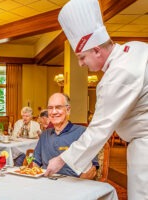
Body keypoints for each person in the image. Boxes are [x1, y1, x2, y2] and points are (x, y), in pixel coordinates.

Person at [46, 0, 148, 199]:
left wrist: (61, 160)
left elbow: (99, 130)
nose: (81, 64)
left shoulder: (118, 74)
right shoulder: (135, 48)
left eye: (82, 57)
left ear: (97, 50)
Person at [34, 93, 98, 179]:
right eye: (50, 108)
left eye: (58, 107)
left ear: (68, 110)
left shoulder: (82, 132)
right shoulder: (44, 135)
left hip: (73, 185)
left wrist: (76, 188)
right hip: (46, 184)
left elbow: (92, 169)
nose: (53, 112)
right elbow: (35, 163)